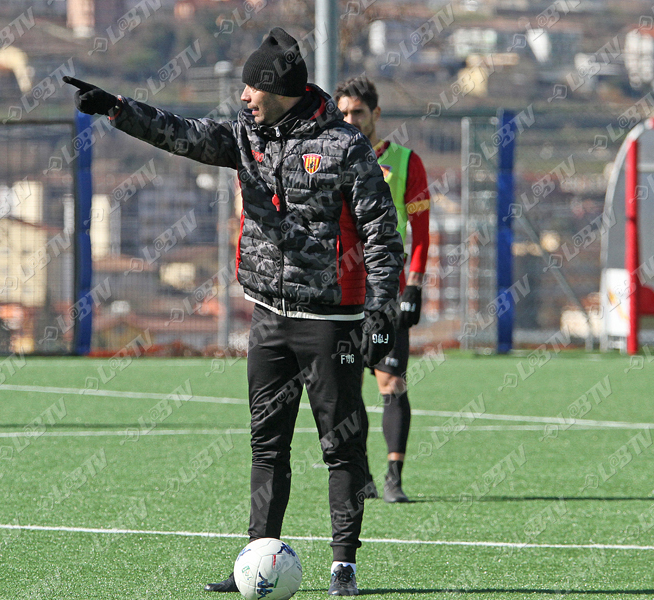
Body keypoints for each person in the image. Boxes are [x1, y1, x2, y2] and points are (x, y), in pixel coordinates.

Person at [64, 27, 403, 596]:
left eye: (251, 87)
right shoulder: (247, 137)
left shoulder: (345, 145)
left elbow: (380, 230)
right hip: (268, 317)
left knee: (340, 446)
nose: (243, 98)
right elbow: (181, 134)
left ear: (280, 89)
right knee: (266, 445)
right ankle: (256, 558)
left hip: (331, 323)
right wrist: (118, 110)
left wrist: (381, 310)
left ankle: (343, 566)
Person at [334, 77, 431, 503]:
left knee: (390, 380)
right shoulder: (331, 158)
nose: (350, 120)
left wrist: (413, 286)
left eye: (357, 112)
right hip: (339, 291)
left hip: (385, 290)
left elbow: (422, 232)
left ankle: (394, 476)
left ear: (376, 114)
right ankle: (362, 477)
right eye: (343, 113)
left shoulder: (408, 163)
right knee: (345, 386)